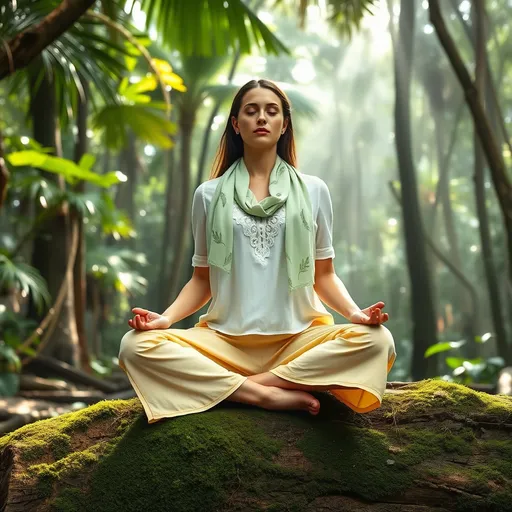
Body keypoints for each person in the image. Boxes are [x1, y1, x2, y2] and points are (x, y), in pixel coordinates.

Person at [118, 79, 396, 424]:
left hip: (300, 341)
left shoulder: (314, 190)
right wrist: (166, 319)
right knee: (134, 346)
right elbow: (202, 280)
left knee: (378, 341)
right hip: (223, 343)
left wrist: (355, 315)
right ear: (236, 124)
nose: (261, 118)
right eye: (251, 111)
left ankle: (244, 388)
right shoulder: (208, 194)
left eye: (271, 111)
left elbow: (324, 275)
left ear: (284, 124)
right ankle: (264, 396)